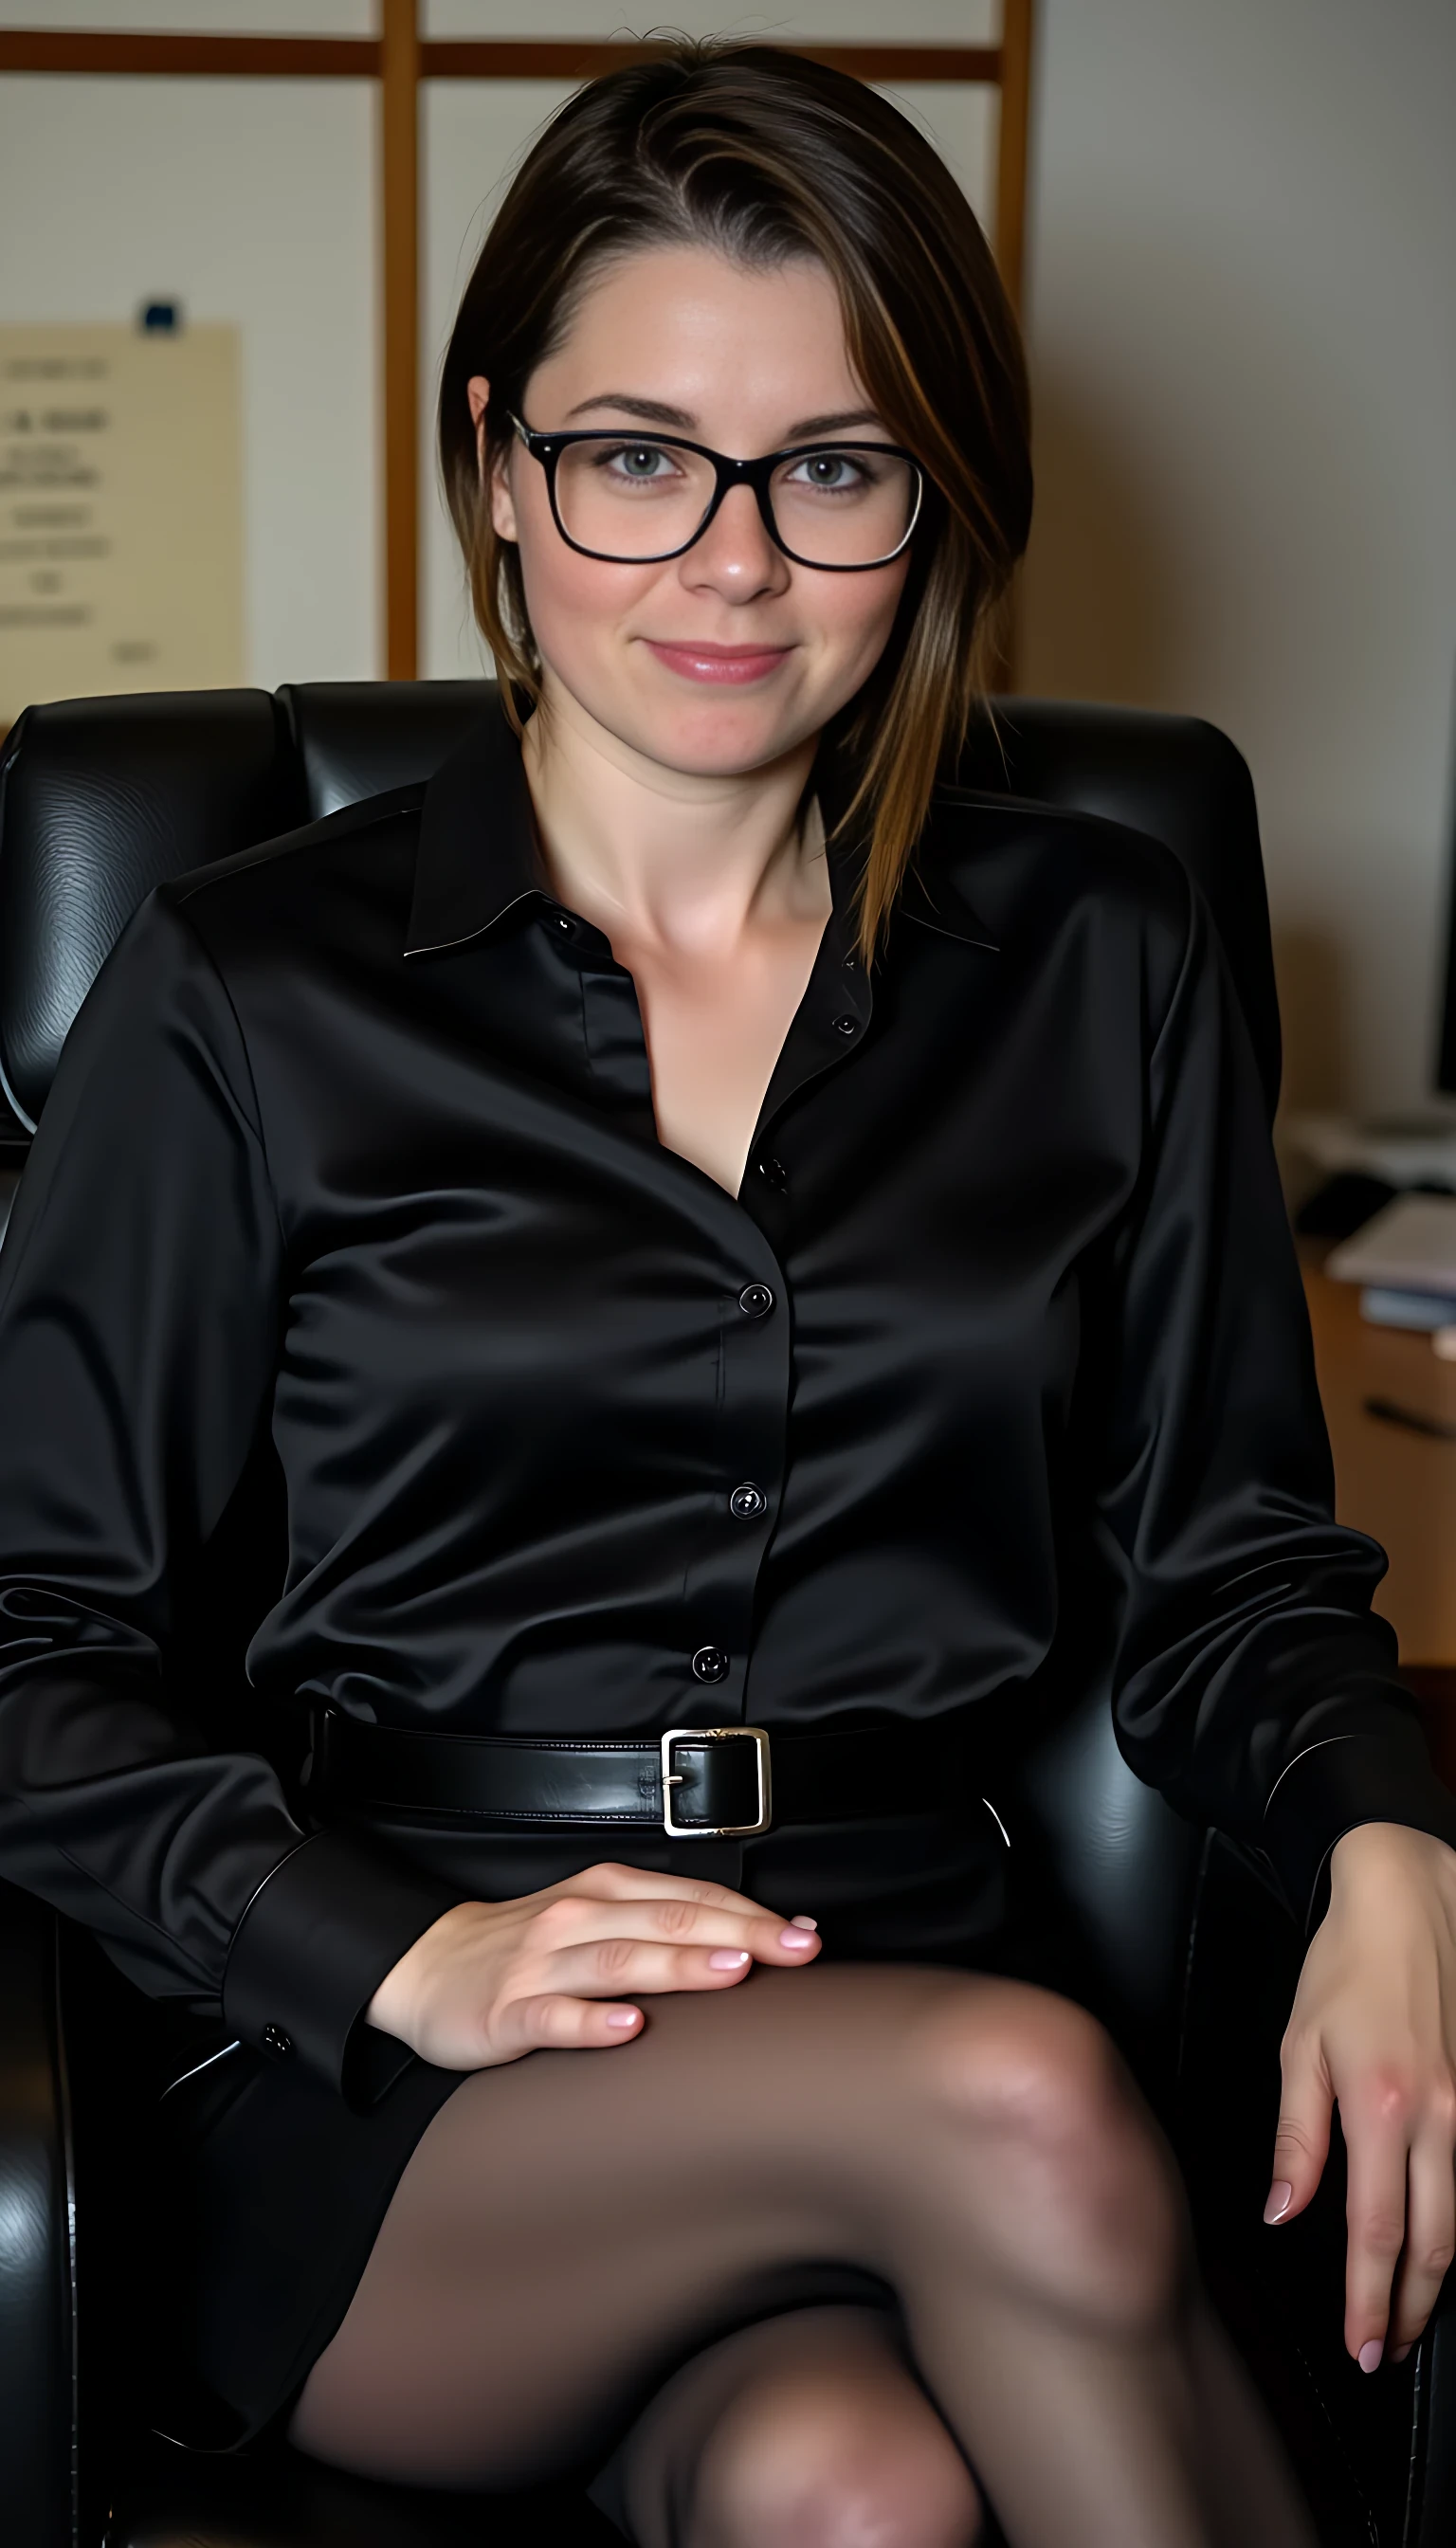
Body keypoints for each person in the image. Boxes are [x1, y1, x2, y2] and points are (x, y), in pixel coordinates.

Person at [1, 40, 1454, 2548]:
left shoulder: (1104, 955)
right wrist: (392, 1950)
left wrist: (1397, 1849)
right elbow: (22, 1639)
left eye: (836, 469)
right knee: (1014, 2106)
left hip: (913, 1957)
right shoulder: (249, 988)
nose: (734, 563)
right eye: (636, 455)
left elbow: (1224, 1569)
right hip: (404, 2076)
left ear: (936, 504)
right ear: (498, 467)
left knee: (851, 2499)